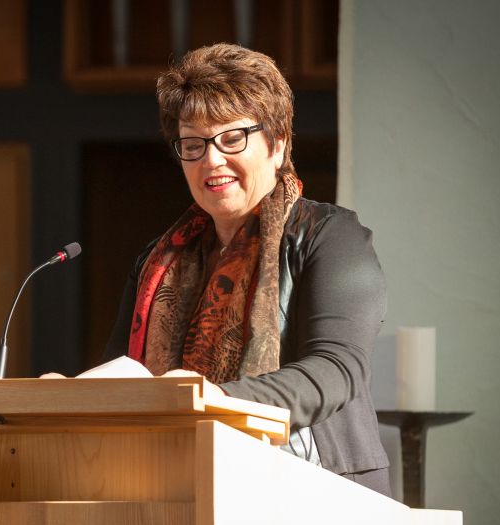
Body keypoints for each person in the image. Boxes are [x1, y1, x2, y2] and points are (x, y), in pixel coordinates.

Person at [102, 43, 391, 495]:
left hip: (319, 490)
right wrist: (74, 394)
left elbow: (337, 370)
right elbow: (124, 373)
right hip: (178, 484)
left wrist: (216, 400)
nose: (211, 160)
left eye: (232, 138)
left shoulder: (330, 237)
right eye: (193, 144)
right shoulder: (156, 261)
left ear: (278, 144)